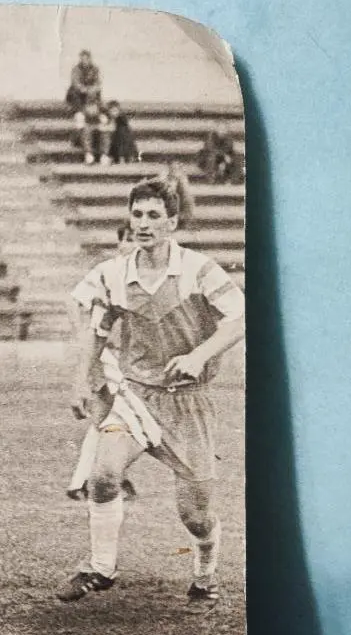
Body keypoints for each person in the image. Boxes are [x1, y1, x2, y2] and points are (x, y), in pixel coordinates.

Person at [59, 177, 245, 604]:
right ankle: (101, 567)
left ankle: (205, 572)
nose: (143, 224)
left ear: (172, 223)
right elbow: (96, 330)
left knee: (195, 515)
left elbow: (238, 318)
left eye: (153, 216)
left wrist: (199, 355)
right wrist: (79, 383)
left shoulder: (198, 269)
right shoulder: (113, 274)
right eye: (137, 214)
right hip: (137, 396)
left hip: (188, 402)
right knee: (103, 473)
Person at [66, 224, 139, 502]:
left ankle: (90, 478)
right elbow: (73, 301)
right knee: (118, 413)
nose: (132, 244)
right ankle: (96, 478)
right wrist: (80, 336)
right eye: (127, 239)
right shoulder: (108, 271)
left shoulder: (144, 273)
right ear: (119, 243)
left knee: (106, 416)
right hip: (105, 352)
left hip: (126, 357)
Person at [65, 49, 104, 118]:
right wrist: (84, 89)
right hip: (80, 91)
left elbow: (98, 81)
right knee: (73, 91)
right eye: (82, 59)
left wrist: (93, 88)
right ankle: (77, 110)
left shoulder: (95, 69)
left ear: (89, 59)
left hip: (90, 90)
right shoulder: (76, 69)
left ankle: (97, 110)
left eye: (86, 59)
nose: (84, 60)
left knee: (97, 93)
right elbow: (75, 82)